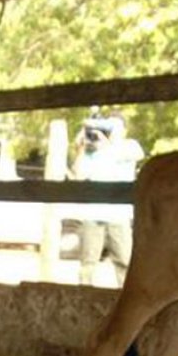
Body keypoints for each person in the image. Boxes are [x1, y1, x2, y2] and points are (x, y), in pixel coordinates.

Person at [72, 113, 145, 286]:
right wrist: (81, 148)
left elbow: (138, 154)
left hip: (118, 216)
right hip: (93, 215)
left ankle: (124, 298)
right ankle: (84, 295)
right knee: (88, 263)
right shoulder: (92, 150)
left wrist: (105, 143)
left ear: (124, 130)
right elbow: (79, 174)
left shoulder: (129, 146)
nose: (110, 131)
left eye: (114, 127)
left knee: (125, 262)